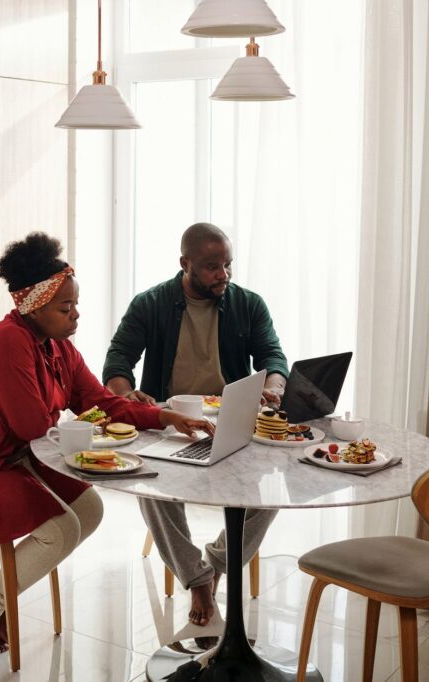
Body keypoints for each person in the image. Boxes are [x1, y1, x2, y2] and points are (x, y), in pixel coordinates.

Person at [0, 232, 214, 654]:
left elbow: (101, 402)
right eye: (65, 307)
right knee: (59, 529)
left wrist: (165, 417)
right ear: (35, 306)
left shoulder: (59, 347)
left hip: (14, 460)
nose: (76, 315)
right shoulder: (7, 341)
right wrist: (80, 420)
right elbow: (30, 425)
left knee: (88, 508)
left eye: (75, 304)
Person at [102, 222, 289, 626]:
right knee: (147, 485)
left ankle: (218, 562)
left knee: (273, 491)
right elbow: (118, 359)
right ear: (184, 264)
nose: (223, 274)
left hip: (232, 424)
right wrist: (125, 393)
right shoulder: (150, 303)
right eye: (211, 266)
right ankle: (197, 578)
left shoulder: (249, 304)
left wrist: (273, 386)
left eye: (227, 265)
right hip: (170, 423)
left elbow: (273, 357)